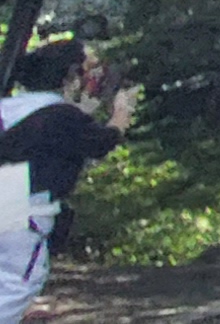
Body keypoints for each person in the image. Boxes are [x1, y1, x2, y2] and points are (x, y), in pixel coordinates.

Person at [0, 40, 128, 323]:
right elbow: (100, 142)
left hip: (7, 188)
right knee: (18, 281)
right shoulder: (62, 116)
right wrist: (121, 114)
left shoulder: (12, 108)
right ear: (71, 76)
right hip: (21, 199)